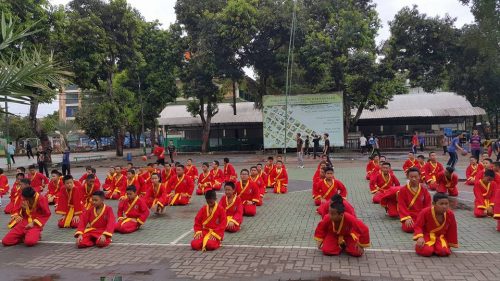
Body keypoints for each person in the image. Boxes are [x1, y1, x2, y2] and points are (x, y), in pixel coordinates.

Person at [413, 192, 458, 257]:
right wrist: (420, 237)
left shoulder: (450, 214)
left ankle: (435, 248)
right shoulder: (425, 212)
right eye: (441, 204)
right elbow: (418, 225)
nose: (444, 206)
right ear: (434, 204)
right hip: (427, 236)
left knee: (444, 252)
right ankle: (429, 247)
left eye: (446, 204)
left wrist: (450, 243)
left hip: (440, 237)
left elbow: (452, 229)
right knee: (427, 251)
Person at [396, 168, 432, 233]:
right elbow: (401, 205)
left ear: (419, 176)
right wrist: (407, 217)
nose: (414, 179)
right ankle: (419, 227)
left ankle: (420, 226)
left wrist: (425, 217)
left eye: (416, 177)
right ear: (407, 177)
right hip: (409, 215)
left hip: (421, 215)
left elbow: (428, 205)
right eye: (411, 177)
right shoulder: (403, 190)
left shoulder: (424, 190)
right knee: (409, 228)